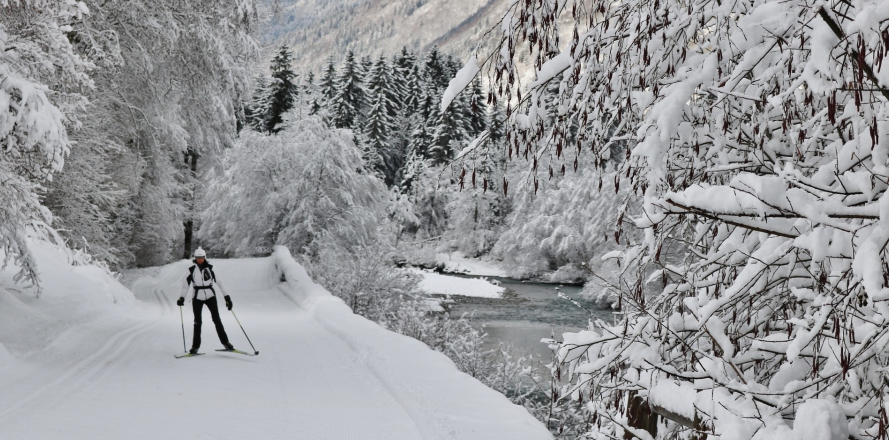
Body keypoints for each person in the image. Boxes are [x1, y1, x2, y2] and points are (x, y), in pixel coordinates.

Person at [176, 248, 234, 354]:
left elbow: (220, 283)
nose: (200, 260)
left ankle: (226, 343)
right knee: (197, 322)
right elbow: (185, 286)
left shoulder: (211, 268)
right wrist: (182, 297)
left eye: (202, 258)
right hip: (197, 297)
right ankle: (195, 346)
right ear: (195, 258)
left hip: (210, 296)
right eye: (198, 258)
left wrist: (227, 298)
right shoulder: (191, 270)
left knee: (217, 319)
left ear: (205, 257)